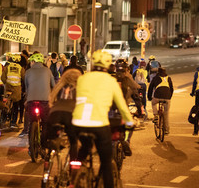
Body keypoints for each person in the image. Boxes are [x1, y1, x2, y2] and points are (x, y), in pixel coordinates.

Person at [72, 50, 133, 188]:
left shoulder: (82, 78)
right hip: (99, 124)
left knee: (85, 147)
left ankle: (74, 176)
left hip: (78, 123)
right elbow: (122, 106)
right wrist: (130, 122)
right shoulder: (111, 81)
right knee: (106, 161)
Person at [22, 53, 55, 153]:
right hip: (45, 101)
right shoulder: (47, 71)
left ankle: (30, 147)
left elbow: (26, 87)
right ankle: (43, 146)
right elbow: (53, 85)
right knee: (45, 123)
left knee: (32, 122)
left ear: (33, 62)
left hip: (31, 101)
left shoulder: (28, 72)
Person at [47, 69, 82, 161]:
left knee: (52, 138)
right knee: (73, 141)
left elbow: (51, 100)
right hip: (70, 115)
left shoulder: (59, 87)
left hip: (55, 113)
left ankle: (48, 158)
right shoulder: (79, 88)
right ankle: (73, 164)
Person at [148, 67, 174, 134]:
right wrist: (169, 97)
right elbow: (171, 89)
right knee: (166, 113)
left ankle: (155, 115)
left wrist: (149, 97)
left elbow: (150, 88)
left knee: (153, 103)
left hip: (157, 96)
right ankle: (166, 130)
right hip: (167, 97)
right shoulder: (168, 78)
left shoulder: (155, 78)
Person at [2, 53, 25, 128]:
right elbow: (24, 78)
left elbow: (3, 78)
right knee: (15, 105)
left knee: (5, 103)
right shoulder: (21, 68)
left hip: (8, 88)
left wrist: (6, 83)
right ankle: (13, 122)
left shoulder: (7, 67)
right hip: (16, 89)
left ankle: (3, 119)